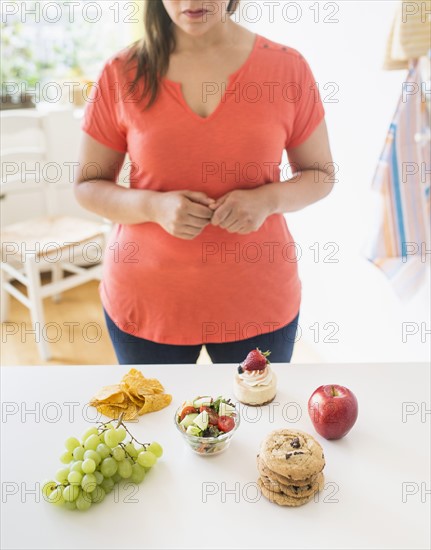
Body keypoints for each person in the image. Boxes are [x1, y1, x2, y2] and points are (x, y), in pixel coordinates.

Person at [74, 0, 334, 365]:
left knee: (255, 420)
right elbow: (88, 185)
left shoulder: (287, 67)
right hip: (148, 302)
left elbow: (320, 174)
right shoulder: (121, 72)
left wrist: (268, 199)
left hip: (258, 302)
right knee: (155, 422)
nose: (193, 3)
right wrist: (154, 207)